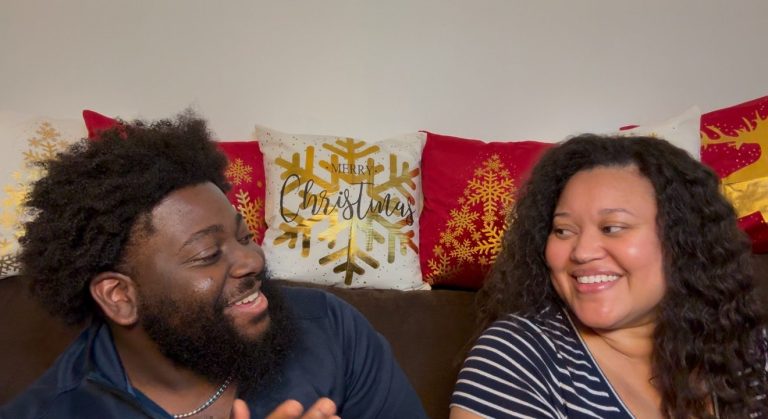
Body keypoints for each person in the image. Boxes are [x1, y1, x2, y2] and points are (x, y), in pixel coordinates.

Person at [0, 112, 427, 419]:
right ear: (120, 296)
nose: (252, 260)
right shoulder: (51, 411)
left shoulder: (331, 330)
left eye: (244, 236)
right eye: (208, 254)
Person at [450, 134, 768, 418]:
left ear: (683, 240)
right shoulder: (517, 357)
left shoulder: (749, 348)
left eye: (612, 228)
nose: (581, 252)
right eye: (563, 230)